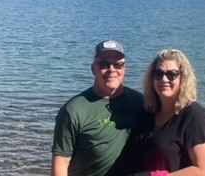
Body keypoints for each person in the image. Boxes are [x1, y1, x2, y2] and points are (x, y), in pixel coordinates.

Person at [51, 40, 151, 176]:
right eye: (104, 64)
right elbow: (60, 165)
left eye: (118, 65)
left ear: (125, 69)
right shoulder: (73, 110)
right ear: (93, 69)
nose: (112, 70)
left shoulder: (140, 102)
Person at [130, 48, 205, 176]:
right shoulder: (148, 112)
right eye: (158, 73)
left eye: (171, 74)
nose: (164, 79)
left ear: (183, 78)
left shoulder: (195, 117)